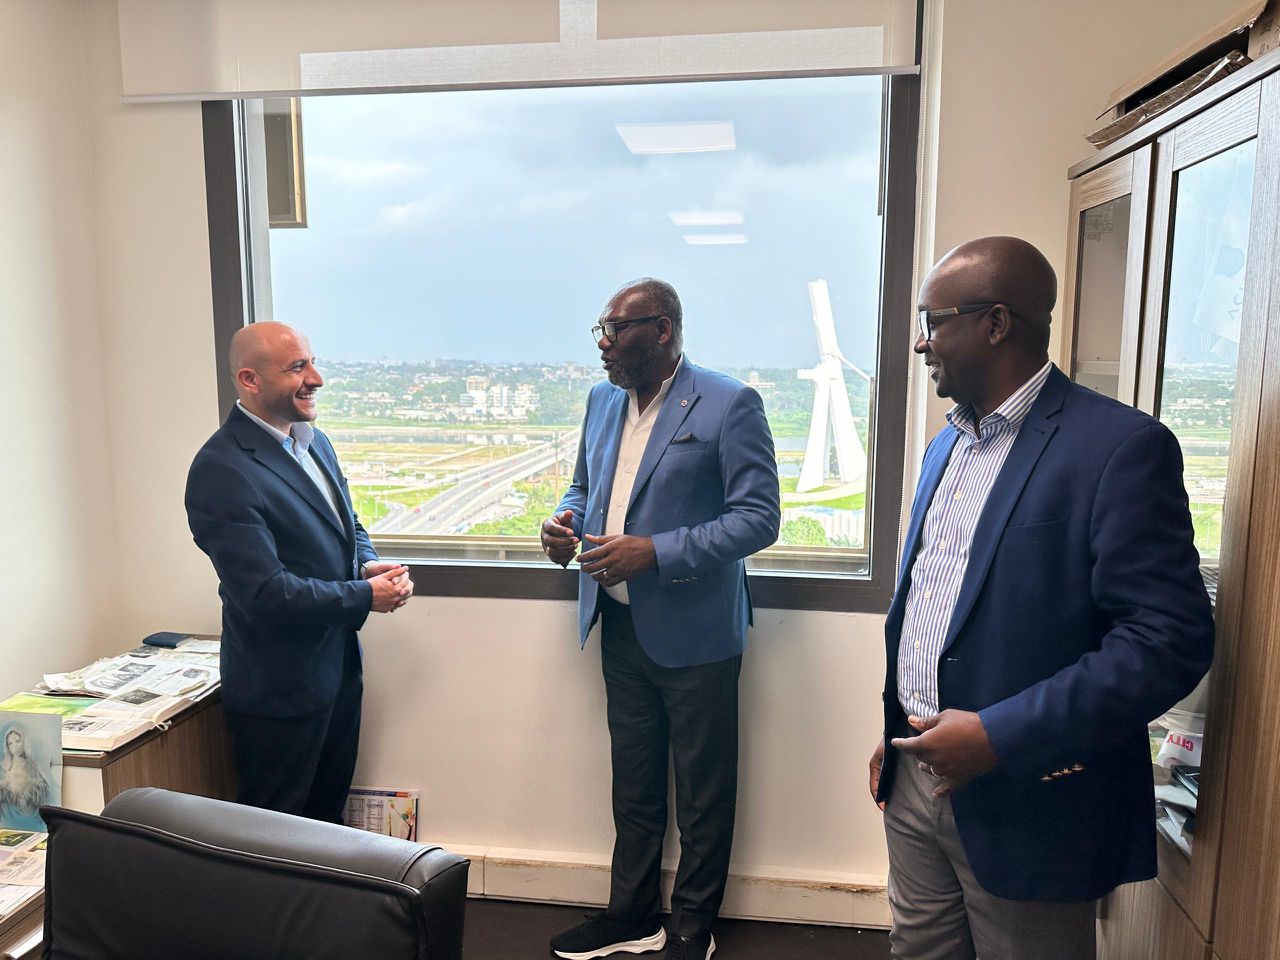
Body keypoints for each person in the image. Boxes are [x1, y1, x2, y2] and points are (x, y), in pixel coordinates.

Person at [869, 236, 1215, 960]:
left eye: (933, 322)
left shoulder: (1119, 448)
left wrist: (1000, 735)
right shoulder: (946, 446)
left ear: (996, 323)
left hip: (1034, 798)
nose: (922, 343)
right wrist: (901, 724)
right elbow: (939, 602)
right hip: (914, 780)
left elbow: (1167, 640)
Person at [542, 279, 780, 960]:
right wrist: (564, 521)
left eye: (616, 330)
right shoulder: (601, 400)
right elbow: (585, 486)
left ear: (664, 330)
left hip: (697, 632)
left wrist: (657, 552)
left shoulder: (729, 402)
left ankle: (693, 927)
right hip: (618, 624)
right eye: (601, 331)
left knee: (703, 790)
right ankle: (631, 915)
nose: (604, 345)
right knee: (634, 782)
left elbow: (758, 518)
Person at [185, 321, 412, 823]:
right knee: (277, 836)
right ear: (250, 380)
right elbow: (264, 592)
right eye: (297, 368)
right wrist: (364, 595)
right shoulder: (222, 469)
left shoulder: (315, 443)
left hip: (337, 673)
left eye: (312, 362)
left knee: (326, 823)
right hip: (279, 693)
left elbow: (347, 524)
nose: (316, 378)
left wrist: (367, 562)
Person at [0, 727, 49, 819]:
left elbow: (42, 787)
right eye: (10, 743)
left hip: (27, 809)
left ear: (24, 742)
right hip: (10, 810)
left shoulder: (32, 764)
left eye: (18, 741)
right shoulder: (6, 765)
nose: (14, 746)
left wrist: (32, 790)